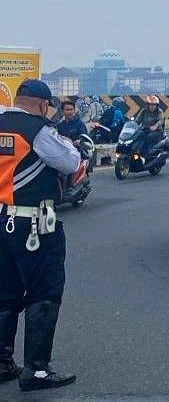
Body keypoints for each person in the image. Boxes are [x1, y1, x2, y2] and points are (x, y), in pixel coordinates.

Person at [0, 79, 80, 392]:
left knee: (5, 292)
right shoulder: (39, 132)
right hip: (34, 226)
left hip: (3, 220)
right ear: (42, 104)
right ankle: (36, 369)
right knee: (45, 291)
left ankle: (3, 362)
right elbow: (71, 161)